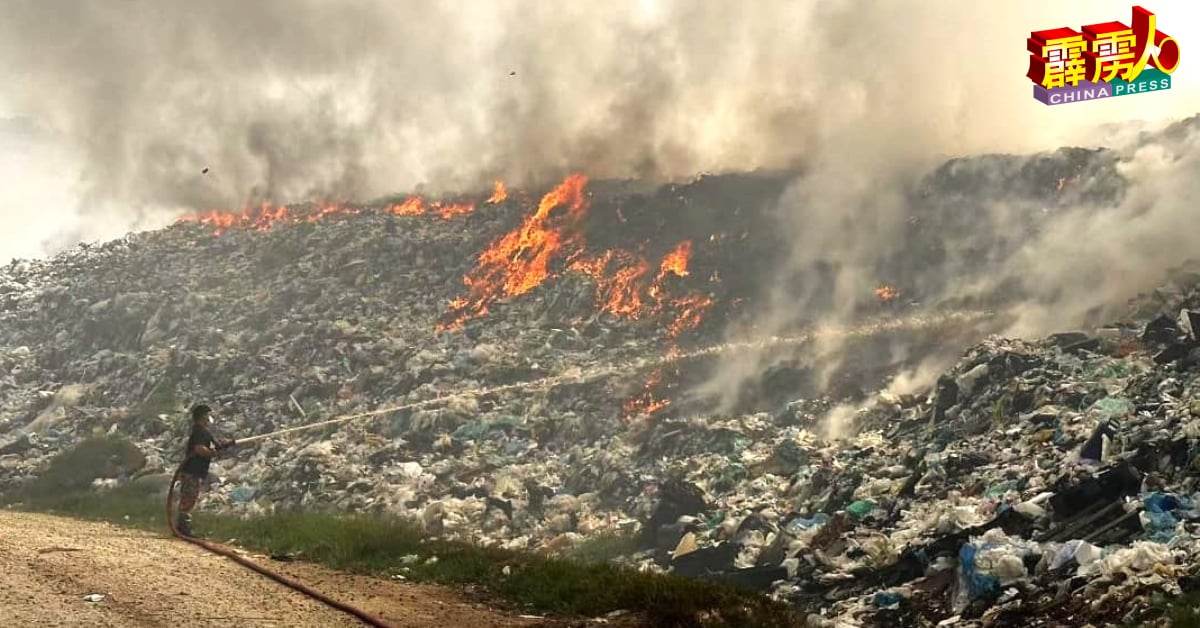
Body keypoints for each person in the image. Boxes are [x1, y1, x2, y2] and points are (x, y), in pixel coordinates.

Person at [175, 404, 235, 537]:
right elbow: (199, 449)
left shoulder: (202, 431)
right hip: (192, 470)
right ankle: (183, 528)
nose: (210, 417)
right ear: (203, 416)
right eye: (208, 414)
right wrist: (212, 453)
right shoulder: (200, 431)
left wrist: (223, 445)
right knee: (189, 497)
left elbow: (214, 445)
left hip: (195, 470)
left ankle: (182, 527)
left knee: (189, 497)